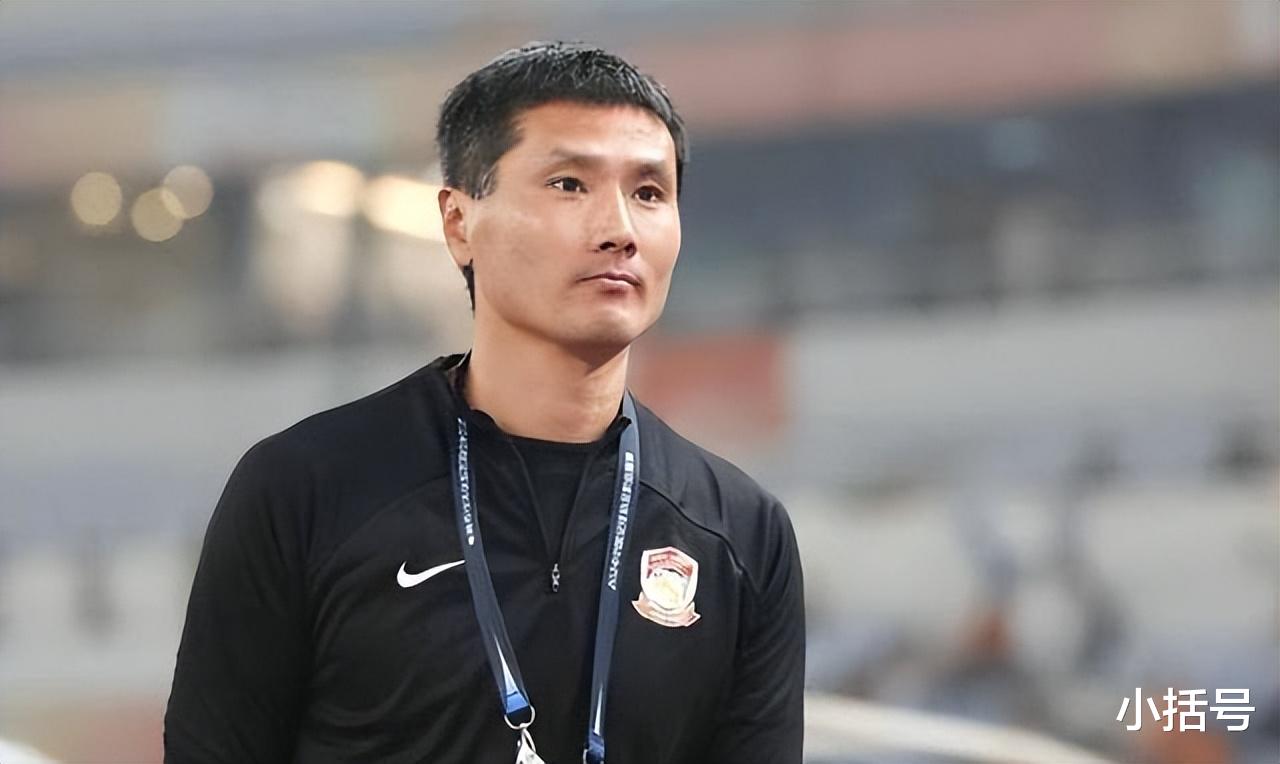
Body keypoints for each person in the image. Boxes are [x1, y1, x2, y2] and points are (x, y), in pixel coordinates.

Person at [164, 41, 804, 764]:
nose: (619, 230)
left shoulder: (739, 532)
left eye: (649, 193)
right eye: (569, 184)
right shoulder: (305, 489)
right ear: (459, 223)